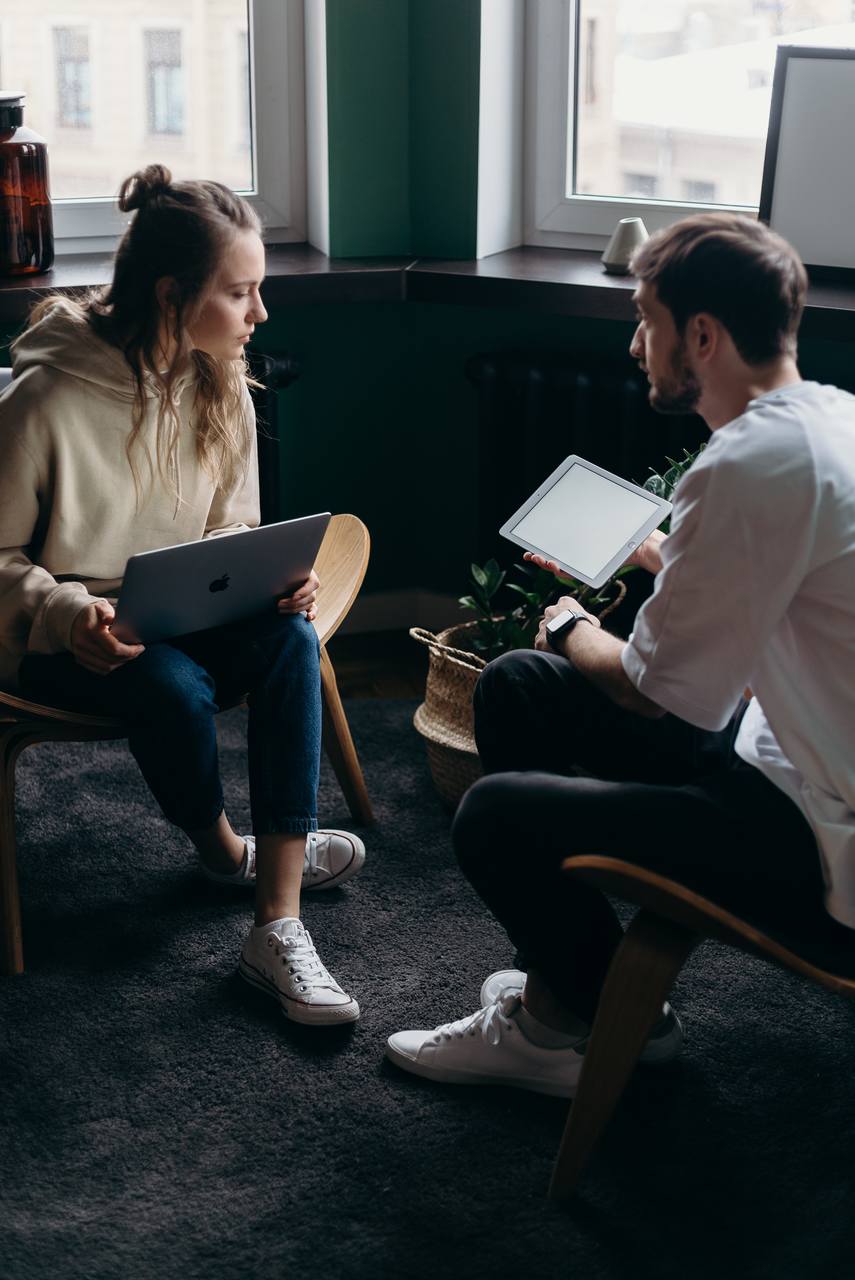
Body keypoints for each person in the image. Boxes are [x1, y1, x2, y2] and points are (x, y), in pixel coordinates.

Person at [386, 212, 855, 1095]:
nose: (637, 344)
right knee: (521, 686)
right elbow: (771, 582)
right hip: (782, 753)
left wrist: (569, 623)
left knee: (492, 812)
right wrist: (659, 554)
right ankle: (575, 997)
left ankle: (582, 1021)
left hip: (817, 835)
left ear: (703, 336)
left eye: (646, 319)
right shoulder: (827, 423)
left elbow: (652, 695)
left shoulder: (746, 465)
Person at [0, 165, 365, 1026]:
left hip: (179, 614)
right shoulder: (45, 396)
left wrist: (271, 580)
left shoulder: (221, 377)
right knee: (170, 684)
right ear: (171, 294)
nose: (259, 314)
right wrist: (65, 613)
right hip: (64, 639)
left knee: (289, 641)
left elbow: (227, 531)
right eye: (240, 293)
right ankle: (223, 851)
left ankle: (276, 924)